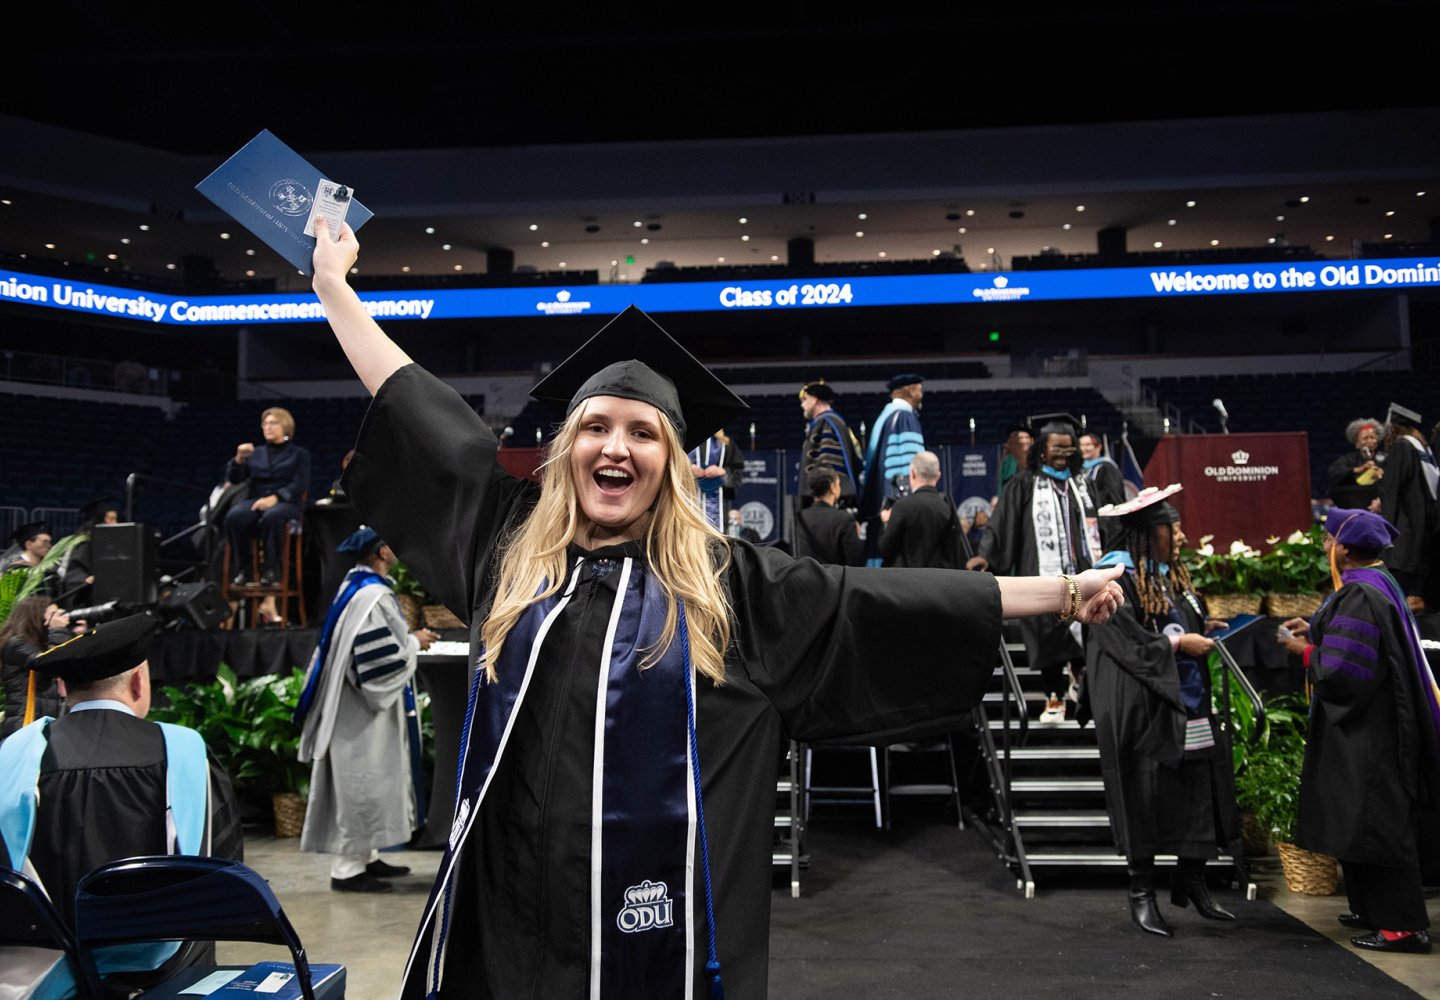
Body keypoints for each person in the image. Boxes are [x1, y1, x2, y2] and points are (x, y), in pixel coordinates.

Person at [308, 218, 1124, 1000]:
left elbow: (873, 601)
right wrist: (334, 288)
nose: (616, 447)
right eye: (595, 426)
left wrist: (1057, 591)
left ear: (671, 462)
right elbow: (424, 415)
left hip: (652, 936)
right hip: (508, 923)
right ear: (568, 450)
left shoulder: (719, 584)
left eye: (643, 432)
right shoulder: (508, 548)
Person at [0, 611, 244, 997]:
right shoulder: (184, 752)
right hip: (166, 978)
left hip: (35, 979)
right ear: (138, 682)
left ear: (63, 686)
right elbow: (223, 877)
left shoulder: (16, 754)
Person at [1277, 507, 1440, 955]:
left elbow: (1346, 672)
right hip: (1373, 725)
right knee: (1358, 820)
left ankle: (1403, 928)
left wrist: (1306, 650)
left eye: (1330, 539)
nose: (1326, 546)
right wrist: (1316, 629)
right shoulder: (1378, 582)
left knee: (1376, 823)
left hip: (1369, 733)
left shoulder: (1361, 596)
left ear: (1345, 548)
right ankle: (1372, 909)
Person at [1085, 484, 1243, 937]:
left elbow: (1166, 619)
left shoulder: (1165, 575)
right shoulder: (1111, 577)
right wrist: (1178, 642)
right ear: (1145, 533)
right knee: (1143, 793)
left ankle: (1190, 879)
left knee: (1197, 783)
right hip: (1139, 706)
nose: (1178, 535)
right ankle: (1141, 893)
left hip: (1183, 701)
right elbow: (1125, 642)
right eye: (1169, 528)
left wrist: (1198, 625)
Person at [297, 525, 439, 893]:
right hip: (359, 712)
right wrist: (413, 642)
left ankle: (366, 857)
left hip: (355, 706)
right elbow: (375, 664)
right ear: (380, 552)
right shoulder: (371, 596)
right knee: (361, 782)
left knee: (372, 781)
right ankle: (347, 869)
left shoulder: (356, 586)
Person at [970, 415, 1103, 724]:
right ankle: (1053, 695)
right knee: (1048, 633)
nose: (1062, 455)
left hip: (1083, 572)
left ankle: (1082, 685)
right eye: (1056, 448)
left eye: (1069, 450)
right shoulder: (1024, 484)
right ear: (1042, 450)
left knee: (1086, 630)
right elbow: (1003, 524)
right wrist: (986, 556)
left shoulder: (1083, 484)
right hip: (1044, 573)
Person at [223, 406, 312, 597]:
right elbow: (235, 479)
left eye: (273, 423)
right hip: (258, 500)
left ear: (285, 426)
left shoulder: (299, 454)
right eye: (265, 424)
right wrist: (238, 459)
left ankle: (271, 571)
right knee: (234, 516)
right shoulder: (255, 453)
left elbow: (300, 483)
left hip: (288, 503)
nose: (268, 427)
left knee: (273, 515)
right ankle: (243, 570)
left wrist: (276, 497)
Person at [1375, 402, 1437, 611]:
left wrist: (1386, 525)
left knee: (1400, 561)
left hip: (1406, 518)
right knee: (1415, 558)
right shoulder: (1421, 445)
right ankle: (1416, 597)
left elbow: (1392, 487)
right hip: (1421, 517)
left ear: (1395, 427)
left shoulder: (1403, 446)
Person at [879, 450, 970, 569]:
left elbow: (885, 549)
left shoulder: (902, 506)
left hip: (907, 583)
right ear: (938, 476)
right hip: (939, 583)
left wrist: (886, 522)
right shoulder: (947, 508)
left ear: (912, 473)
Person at [858, 373, 926, 527]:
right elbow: (904, 464)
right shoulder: (904, 417)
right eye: (919, 390)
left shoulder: (888, 416)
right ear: (910, 391)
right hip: (898, 504)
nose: (921, 395)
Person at [0, 597, 74, 737]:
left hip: (42, 717)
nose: (61, 617)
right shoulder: (16, 643)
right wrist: (59, 631)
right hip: (26, 721)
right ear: (38, 617)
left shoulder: (40, 643)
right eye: (54, 614)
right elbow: (48, 662)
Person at [799, 380, 863, 509]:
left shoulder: (826, 424)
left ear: (815, 400)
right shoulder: (838, 423)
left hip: (829, 505)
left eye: (805, 399)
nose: (802, 405)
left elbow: (828, 466)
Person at [793, 468, 863, 566]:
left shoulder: (798, 518)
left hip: (805, 578)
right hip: (835, 579)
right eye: (838, 484)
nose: (840, 488)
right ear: (832, 487)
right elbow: (855, 561)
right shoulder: (845, 519)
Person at [1326, 417, 1384, 511]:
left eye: (1372, 437)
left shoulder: (1386, 458)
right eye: (1365, 438)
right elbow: (1333, 473)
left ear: (1377, 441)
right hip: (1354, 506)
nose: (1369, 441)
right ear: (1357, 443)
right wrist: (1358, 469)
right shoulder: (1348, 459)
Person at [994, 425, 1033, 504]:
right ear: (1015, 440)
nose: (1025, 441)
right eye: (1021, 438)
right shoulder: (1011, 460)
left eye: (1027, 437)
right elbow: (1008, 484)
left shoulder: (1032, 458)